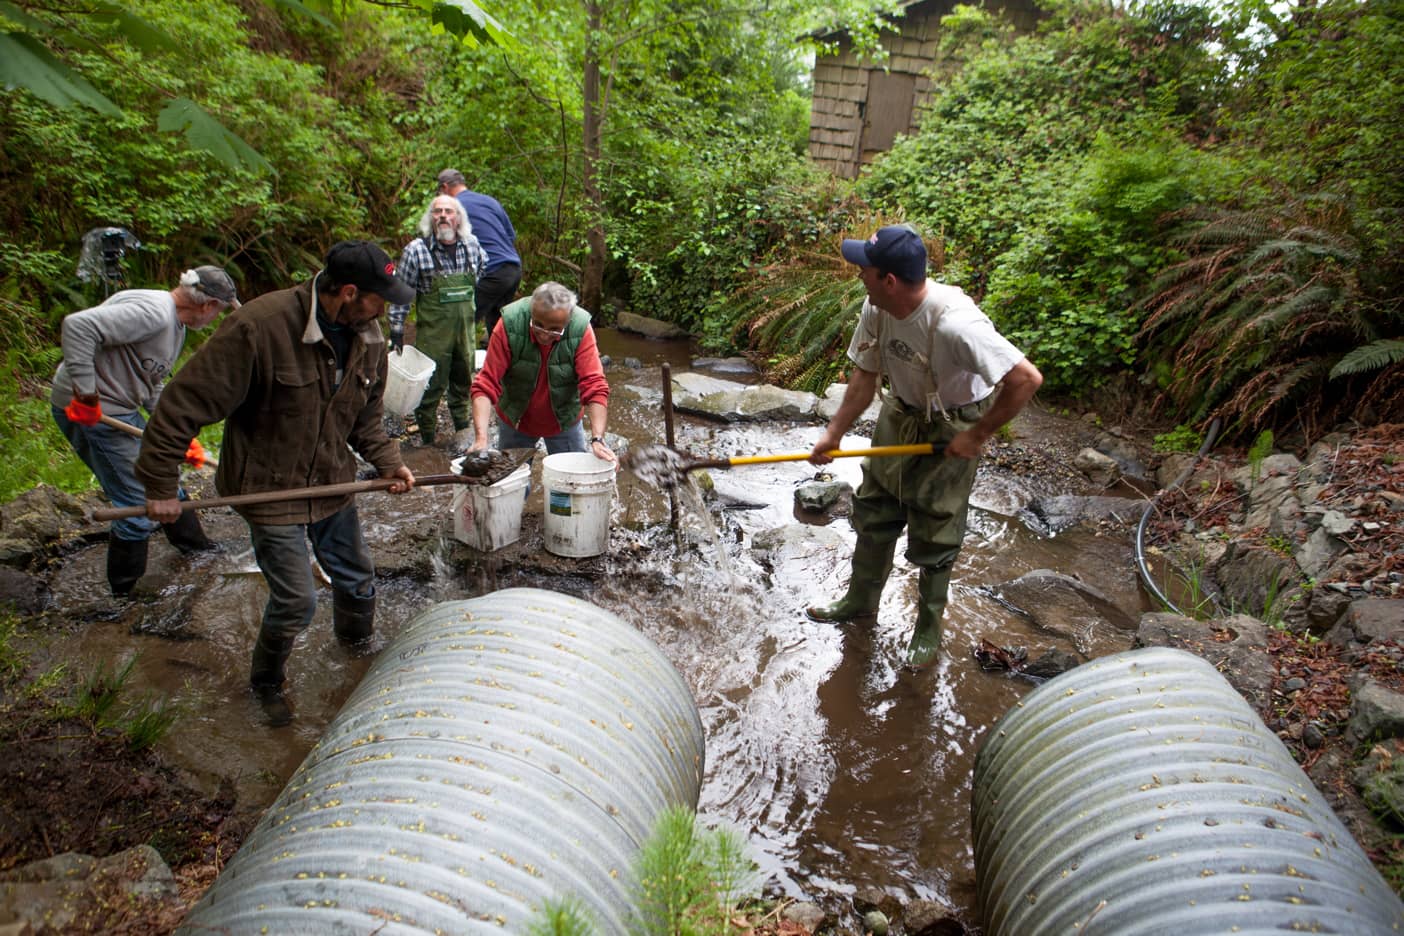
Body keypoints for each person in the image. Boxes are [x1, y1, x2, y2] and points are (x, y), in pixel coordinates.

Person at [135, 241, 418, 727]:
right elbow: (181, 406)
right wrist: (162, 485)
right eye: (380, 298)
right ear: (349, 292)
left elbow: (366, 418)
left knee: (358, 580)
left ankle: (357, 657)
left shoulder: (368, 337)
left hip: (330, 480)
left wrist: (389, 462)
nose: (385, 309)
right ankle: (265, 684)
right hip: (269, 487)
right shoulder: (258, 328)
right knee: (295, 601)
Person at [805, 225, 1043, 670]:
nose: (859, 275)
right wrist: (834, 433)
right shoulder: (876, 307)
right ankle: (860, 599)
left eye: (865, 270)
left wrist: (978, 434)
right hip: (902, 413)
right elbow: (864, 376)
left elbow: (1026, 379)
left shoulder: (957, 324)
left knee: (937, 524)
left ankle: (928, 627)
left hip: (955, 421)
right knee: (875, 505)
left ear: (888, 279)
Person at [51, 266, 239, 596]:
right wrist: (86, 392)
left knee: (162, 477)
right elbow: (78, 326)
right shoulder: (152, 312)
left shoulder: (175, 326)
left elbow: (151, 382)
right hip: (94, 414)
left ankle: (197, 549)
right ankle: (125, 597)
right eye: (219, 312)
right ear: (208, 305)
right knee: (136, 505)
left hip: (120, 408)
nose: (215, 319)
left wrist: (172, 432)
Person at [469, 281, 615, 461]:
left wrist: (598, 439)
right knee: (512, 483)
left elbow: (594, 386)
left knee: (569, 482)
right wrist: (481, 439)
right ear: (531, 312)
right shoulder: (510, 322)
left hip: (564, 420)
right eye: (538, 325)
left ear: (568, 321)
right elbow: (486, 383)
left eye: (555, 329)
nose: (545, 335)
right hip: (516, 417)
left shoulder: (580, 328)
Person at [387, 194, 486, 446]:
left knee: (463, 383)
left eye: (449, 211)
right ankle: (429, 441)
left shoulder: (472, 245)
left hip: (465, 333)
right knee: (430, 389)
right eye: (437, 211)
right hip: (433, 336)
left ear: (458, 218)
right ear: (430, 218)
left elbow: (484, 279)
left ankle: (464, 436)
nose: (443, 216)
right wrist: (396, 330)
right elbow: (401, 292)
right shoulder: (416, 251)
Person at [437, 168, 522, 347]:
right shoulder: (489, 201)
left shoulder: (452, 209)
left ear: (444, 187)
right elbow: (511, 236)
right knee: (498, 328)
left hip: (492, 271)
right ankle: (502, 371)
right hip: (512, 269)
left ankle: (450, 371)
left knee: (458, 322)